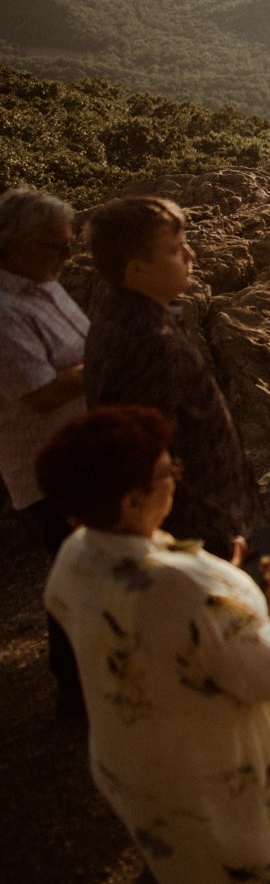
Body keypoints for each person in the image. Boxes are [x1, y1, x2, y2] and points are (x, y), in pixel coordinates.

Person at [39, 405, 270, 884]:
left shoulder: (76, 557)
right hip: (218, 778)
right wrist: (262, 600)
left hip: (139, 768)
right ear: (132, 500)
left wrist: (226, 595)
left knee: (193, 880)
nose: (176, 478)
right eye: (167, 472)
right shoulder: (188, 590)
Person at [83, 195, 266, 555]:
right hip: (200, 522)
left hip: (213, 507)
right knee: (235, 605)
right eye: (174, 250)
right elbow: (148, 452)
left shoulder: (129, 313)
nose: (191, 256)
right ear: (136, 269)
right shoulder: (146, 341)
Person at [0, 186, 90, 715]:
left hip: (83, 450)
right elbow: (38, 395)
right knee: (76, 575)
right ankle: (75, 692)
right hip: (48, 467)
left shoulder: (45, 283)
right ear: (10, 246)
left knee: (90, 570)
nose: (68, 256)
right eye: (56, 247)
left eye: (70, 243)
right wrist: (108, 357)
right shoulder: (6, 312)